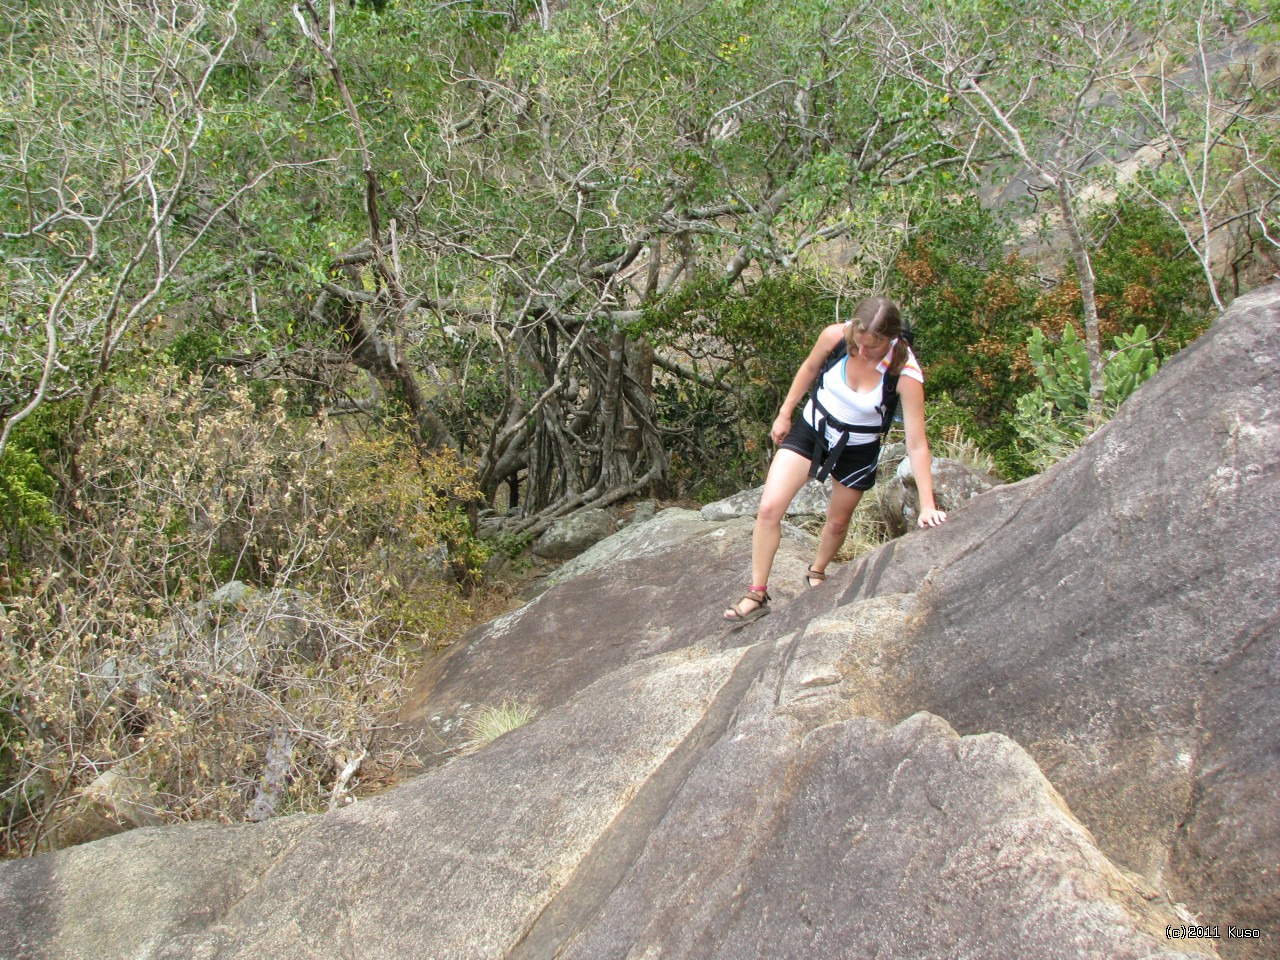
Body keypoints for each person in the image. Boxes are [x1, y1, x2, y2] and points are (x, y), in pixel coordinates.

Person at [723, 296, 948, 623]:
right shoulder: (836, 337)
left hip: (858, 449)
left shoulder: (906, 374)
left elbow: (916, 444)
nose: (863, 352)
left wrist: (927, 505)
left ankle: (817, 570)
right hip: (813, 429)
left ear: (891, 339)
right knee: (769, 508)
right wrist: (784, 414)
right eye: (857, 343)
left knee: (838, 521)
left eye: (872, 347)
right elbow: (810, 368)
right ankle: (756, 594)